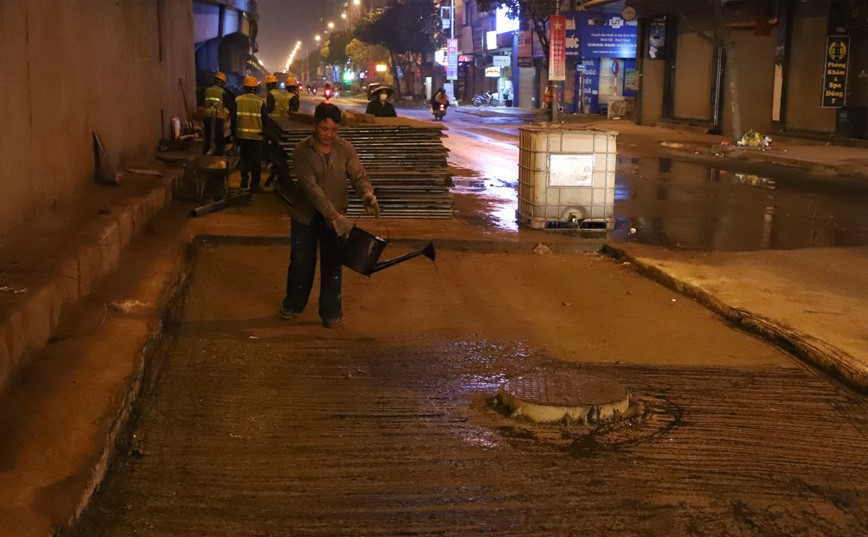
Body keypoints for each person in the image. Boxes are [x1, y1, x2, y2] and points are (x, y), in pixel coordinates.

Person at [279, 102, 380, 328]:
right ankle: (293, 304)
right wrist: (335, 217)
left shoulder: (345, 149)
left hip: (336, 216)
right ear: (315, 126)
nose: (329, 135)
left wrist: (367, 194)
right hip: (306, 215)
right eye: (325, 129)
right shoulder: (302, 152)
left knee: (333, 263)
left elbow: (358, 175)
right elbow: (311, 190)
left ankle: (331, 311)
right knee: (301, 261)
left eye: (334, 130)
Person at [231, 76, 268, 191]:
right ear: (255, 89)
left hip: (242, 136)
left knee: (244, 158)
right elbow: (265, 120)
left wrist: (234, 134)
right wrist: (266, 135)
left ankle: (244, 180)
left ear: (244, 87)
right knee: (256, 161)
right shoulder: (260, 102)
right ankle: (255, 184)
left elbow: (233, 119)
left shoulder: (238, 100)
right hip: (257, 137)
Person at [202, 71, 234, 155]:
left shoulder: (207, 90)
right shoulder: (222, 92)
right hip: (217, 117)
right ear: (222, 82)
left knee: (208, 136)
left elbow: (203, 102)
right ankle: (218, 154)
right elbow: (230, 105)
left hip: (207, 117)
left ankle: (206, 153)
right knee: (218, 138)